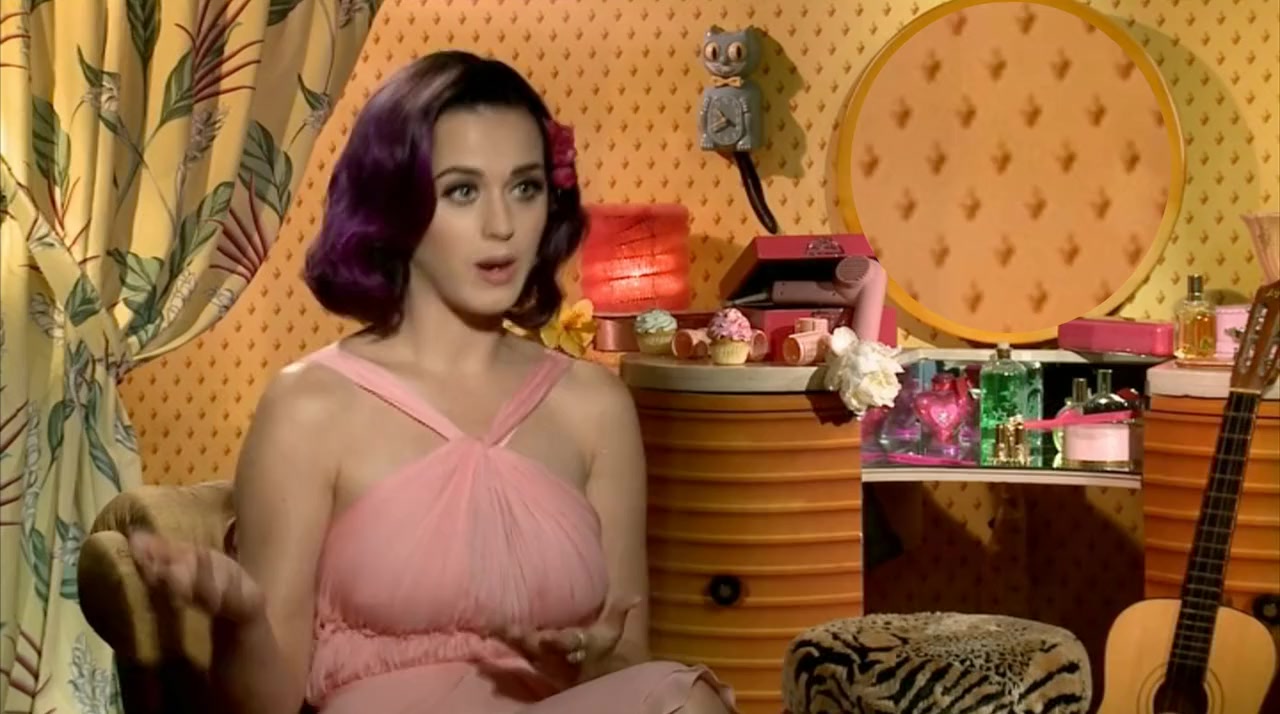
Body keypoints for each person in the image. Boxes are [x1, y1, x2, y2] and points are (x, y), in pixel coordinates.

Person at [127, 51, 737, 714]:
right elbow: (264, 706)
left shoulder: (595, 406)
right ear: (395, 207)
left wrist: (588, 657)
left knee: (682, 698)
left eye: (525, 187)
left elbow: (626, 657)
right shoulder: (310, 407)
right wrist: (242, 616)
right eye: (463, 191)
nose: (502, 225)